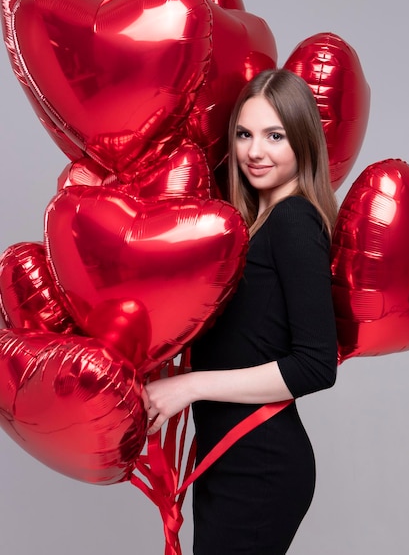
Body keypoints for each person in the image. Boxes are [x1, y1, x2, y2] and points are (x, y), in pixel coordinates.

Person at [142, 68, 339, 554]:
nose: (255, 151)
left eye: (275, 136)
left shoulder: (294, 220)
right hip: (230, 458)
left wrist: (187, 386)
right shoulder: (253, 224)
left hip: (260, 464)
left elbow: (316, 364)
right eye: (244, 135)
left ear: (303, 141)